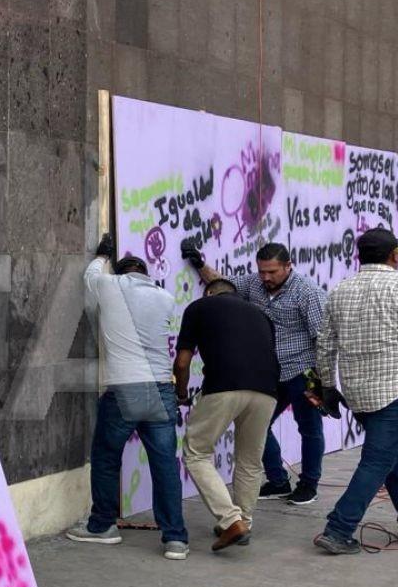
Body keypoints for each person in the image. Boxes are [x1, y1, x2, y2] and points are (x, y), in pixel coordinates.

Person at [68, 235, 188, 559]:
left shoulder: (111, 286)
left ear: (120, 274)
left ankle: (102, 525)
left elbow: (90, 276)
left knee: (107, 457)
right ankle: (176, 538)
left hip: (125, 389)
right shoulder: (165, 297)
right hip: (162, 388)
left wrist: (102, 255)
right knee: (165, 464)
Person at [181, 240, 328, 504]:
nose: (266, 277)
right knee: (258, 426)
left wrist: (325, 383)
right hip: (270, 370)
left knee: (310, 427)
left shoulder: (308, 293)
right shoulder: (254, 284)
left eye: (272, 272)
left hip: (307, 371)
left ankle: (309, 484)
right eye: (262, 271)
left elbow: (324, 338)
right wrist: (201, 264)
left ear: (288, 266)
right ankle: (278, 480)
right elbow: (222, 286)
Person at [174, 279, 280, 551]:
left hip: (223, 386)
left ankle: (231, 521)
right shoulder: (261, 314)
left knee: (196, 452)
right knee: (250, 460)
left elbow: (183, 361)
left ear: (209, 292)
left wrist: (182, 393)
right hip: (267, 390)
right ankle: (243, 520)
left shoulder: (199, 307)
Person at [310, 228, 398, 554]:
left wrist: (328, 388)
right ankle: (338, 529)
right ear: (395, 255)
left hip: (358, 393)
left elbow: (325, 344)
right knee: (378, 461)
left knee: (390, 460)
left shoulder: (340, 290)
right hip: (392, 390)